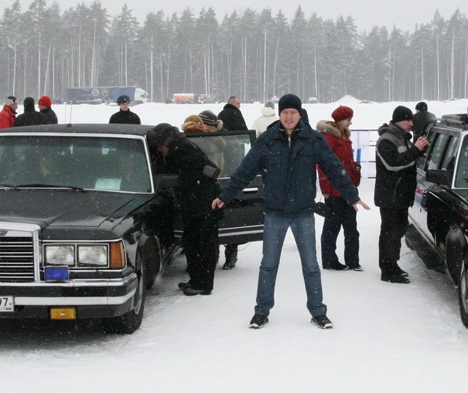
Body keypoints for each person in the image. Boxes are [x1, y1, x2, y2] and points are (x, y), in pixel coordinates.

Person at [212, 93, 370, 330]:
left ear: (299, 114)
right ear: (280, 114)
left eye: (292, 112)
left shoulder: (313, 139)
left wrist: (352, 195)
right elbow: (245, 170)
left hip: (303, 212)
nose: (288, 116)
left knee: (311, 265)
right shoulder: (267, 140)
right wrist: (226, 195)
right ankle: (261, 311)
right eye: (285, 112)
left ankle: (318, 311)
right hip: (275, 212)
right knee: (268, 265)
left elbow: (334, 168)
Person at [151, 123, 223, 296]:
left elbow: (184, 178)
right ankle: (196, 281)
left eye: (160, 146)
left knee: (202, 246)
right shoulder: (182, 148)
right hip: (200, 205)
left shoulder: (183, 152)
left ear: (166, 141)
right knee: (193, 244)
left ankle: (203, 285)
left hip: (203, 207)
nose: (160, 150)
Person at [375, 105, 429, 284]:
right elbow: (393, 164)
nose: (411, 123)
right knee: (389, 232)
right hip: (390, 195)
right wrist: (415, 150)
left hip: (401, 195)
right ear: (398, 120)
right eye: (408, 120)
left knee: (398, 231)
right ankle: (387, 270)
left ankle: (393, 264)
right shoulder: (386, 140)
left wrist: (419, 150)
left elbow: (408, 159)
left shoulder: (402, 138)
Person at [317, 105, 362, 271]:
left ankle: (353, 260)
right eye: (348, 119)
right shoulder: (329, 137)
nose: (350, 123)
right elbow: (323, 166)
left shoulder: (343, 136)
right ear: (339, 120)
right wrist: (327, 190)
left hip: (347, 188)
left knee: (351, 227)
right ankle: (329, 260)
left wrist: (354, 169)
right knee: (332, 227)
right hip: (335, 191)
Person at [200, 109, 243, 270]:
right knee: (212, 221)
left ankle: (231, 255)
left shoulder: (226, 138)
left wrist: (230, 179)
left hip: (225, 181)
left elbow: (235, 160)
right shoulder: (199, 137)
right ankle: (214, 254)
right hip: (208, 184)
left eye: (205, 125)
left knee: (228, 219)